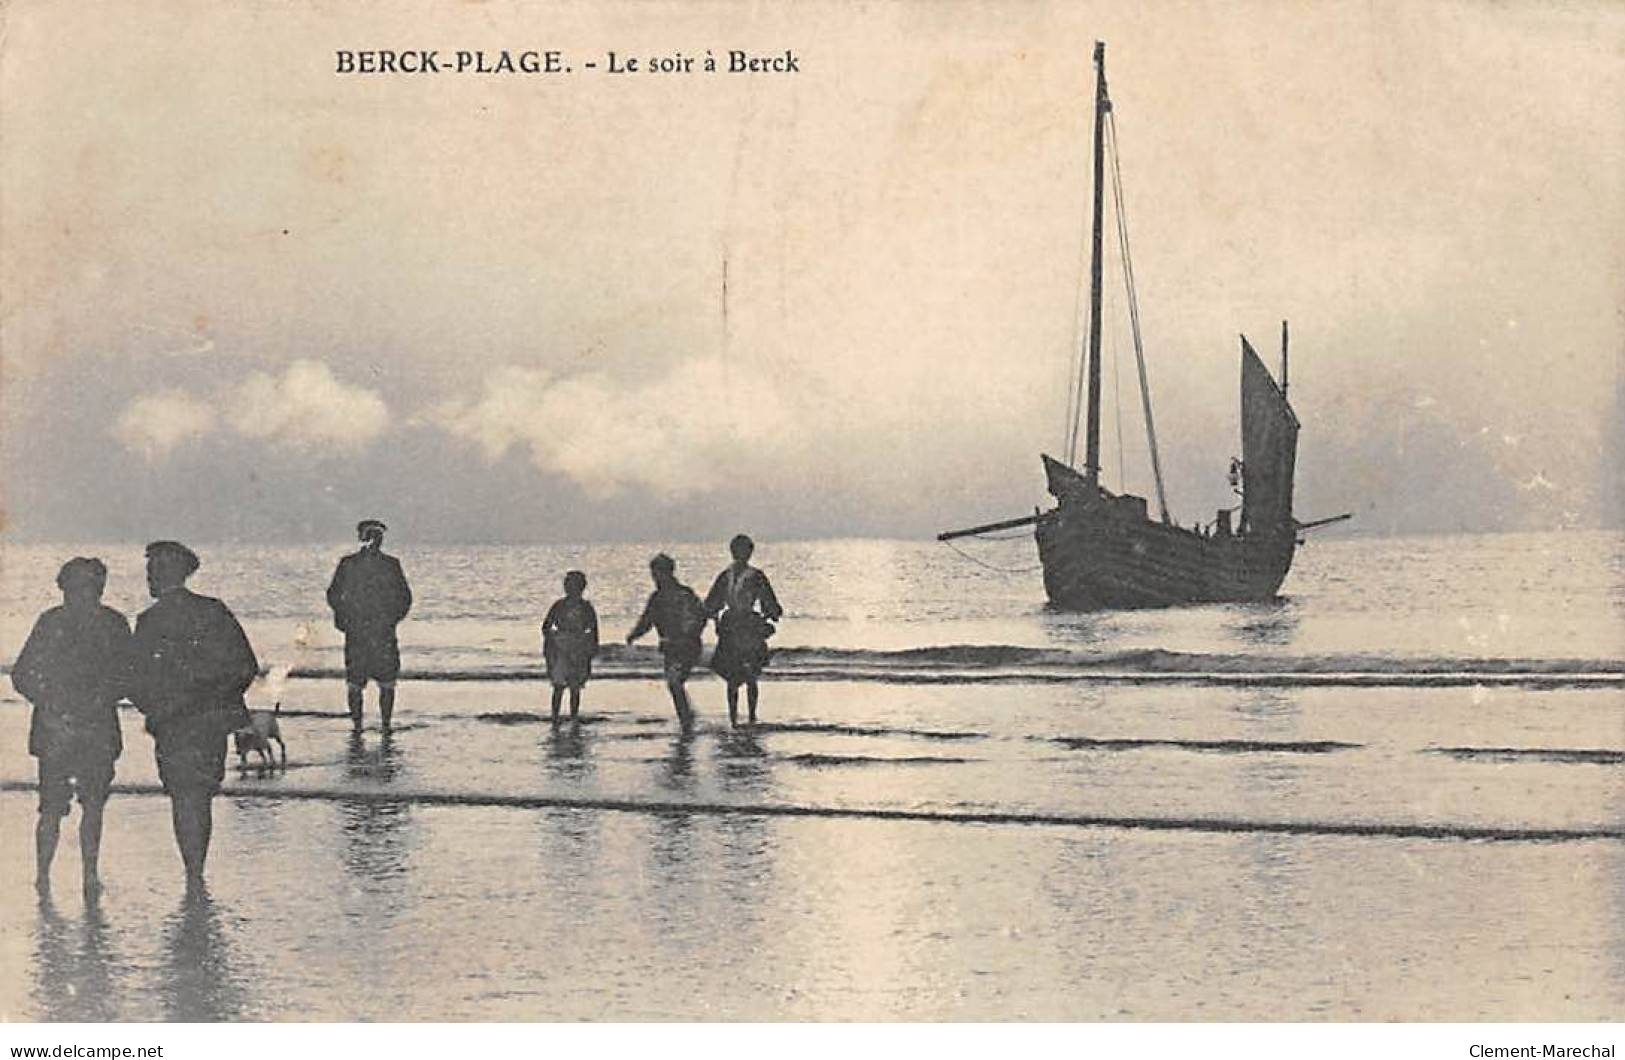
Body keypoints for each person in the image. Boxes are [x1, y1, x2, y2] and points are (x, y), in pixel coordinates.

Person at [128, 541, 258, 892]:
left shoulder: (150, 620)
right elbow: (246, 666)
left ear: (163, 573)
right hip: (210, 722)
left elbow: (134, 679)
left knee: (182, 796)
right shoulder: (214, 611)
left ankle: (193, 873)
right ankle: (196, 873)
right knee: (200, 796)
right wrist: (219, 700)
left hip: (172, 723)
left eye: (152, 571)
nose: (149, 579)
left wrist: (156, 707)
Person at [11, 558, 132, 898]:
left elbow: (128, 675)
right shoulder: (103, 622)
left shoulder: (69, 622)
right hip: (68, 727)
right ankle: (49, 877)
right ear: (64, 588)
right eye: (77, 587)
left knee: (80, 806)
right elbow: (22, 675)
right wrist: (59, 703)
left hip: (66, 727)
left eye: (90, 587)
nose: (83, 594)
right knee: (61, 807)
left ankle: (71, 876)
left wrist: (55, 703)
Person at [326, 519, 413, 731]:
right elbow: (334, 595)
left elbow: (404, 598)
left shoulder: (384, 564)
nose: (376, 541)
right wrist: (345, 619)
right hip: (368, 632)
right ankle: (367, 726)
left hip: (372, 632)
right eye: (373, 536)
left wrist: (391, 619)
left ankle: (376, 725)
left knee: (376, 682)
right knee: (363, 683)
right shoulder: (352, 564)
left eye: (378, 536)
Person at [704, 534, 784, 727]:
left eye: (745, 551)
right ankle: (734, 718)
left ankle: (751, 716)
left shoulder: (755, 576)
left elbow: (770, 602)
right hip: (732, 625)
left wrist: (768, 615)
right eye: (739, 550)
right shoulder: (726, 575)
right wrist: (714, 617)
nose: (742, 554)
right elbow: (711, 602)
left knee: (749, 675)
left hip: (747, 625)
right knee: (732, 676)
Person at [625, 554, 706, 728]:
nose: (655, 577)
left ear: (667, 572)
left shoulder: (684, 594)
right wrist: (634, 635)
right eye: (653, 574)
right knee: (674, 684)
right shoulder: (657, 597)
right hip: (671, 647)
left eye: (657, 573)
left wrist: (688, 634)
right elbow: (647, 621)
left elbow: (700, 617)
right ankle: (687, 716)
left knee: (674, 682)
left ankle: (687, 717)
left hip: (687, 646)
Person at [541, 570, 599, 724]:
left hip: (579, 647)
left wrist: (591, 647)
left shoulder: (586, 607)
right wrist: (552, 643)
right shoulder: (559, 606)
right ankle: (555, 716)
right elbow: (546, 626)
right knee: (558, 685)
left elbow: (593, 629)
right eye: (568, 584)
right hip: (561, 648)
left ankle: (574, 716)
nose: (571, 588)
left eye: (574, 585)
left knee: (575, 686)